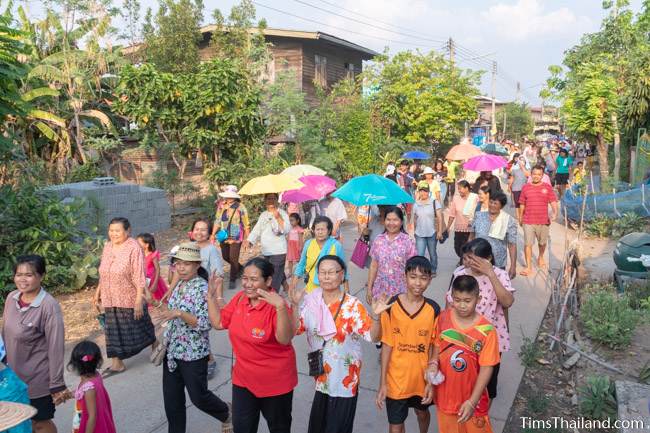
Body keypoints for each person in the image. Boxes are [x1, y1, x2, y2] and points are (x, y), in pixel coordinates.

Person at [289, 255, 387, 433]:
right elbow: (295, 329)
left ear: (342, 275)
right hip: (321, 378)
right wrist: (294, 307)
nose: (326, 276)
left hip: (344, 381)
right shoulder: (311, 301)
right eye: (322, 272)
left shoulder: (353, 305)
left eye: (331, 272)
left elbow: (373, 337)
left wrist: (377, 317)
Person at [207, 257, 297, 433]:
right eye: (245, 279)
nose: (247, 284)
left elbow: (285, 339)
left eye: (254, 279)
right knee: (242, 428)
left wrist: (280, 308)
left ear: (268, 281)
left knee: (279, 428)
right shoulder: (240, 299)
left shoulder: (277, 305)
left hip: (275, 383)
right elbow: (218, 323)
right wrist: (210, 297)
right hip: (244, 379)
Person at [161, 243, 232, 433]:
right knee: (172, 401)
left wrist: (179, 314)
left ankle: (226, 412)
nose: (181, 268)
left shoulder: (202, 288)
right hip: (172, 352)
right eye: (178, 264)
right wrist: (154, 304)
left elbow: (205, 324)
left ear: (197, 265)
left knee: (199, 397)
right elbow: (170, 313)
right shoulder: (179, 285)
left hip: (194, 353)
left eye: (187, 264)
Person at [2, 255, 71, 433]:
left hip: (37, 380)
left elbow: (56, 348)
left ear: (41, 276)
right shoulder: (11, 298)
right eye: (19, 274)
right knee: (18, 422)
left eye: (29, 275)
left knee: (39, 423)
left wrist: (56, 383)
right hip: (12, 379)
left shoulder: (48, 306)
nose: (22, 280)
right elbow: (5, 333)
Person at [376, 256, 441, 433]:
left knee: (422, 413)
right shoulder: (390, 306)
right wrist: (383, 383)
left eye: (423, 278)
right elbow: (386, 345)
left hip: (421, 379)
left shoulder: (433, 309)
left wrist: (431, 380)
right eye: (413, 276)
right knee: (395, 427)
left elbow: (436, 345)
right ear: (405, 276)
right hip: (396, 380)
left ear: (430, 280)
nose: (418, 283)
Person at [427, 275, 500, 433]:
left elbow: (487, 368)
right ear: (451, 297)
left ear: (478, 299)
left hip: (473, 400)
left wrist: (472, 402)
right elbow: (436, 346)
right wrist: (432, 368)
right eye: (457, 300)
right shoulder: (443, 318)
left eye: (467, 301)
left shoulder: (487, 331)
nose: (461, 305)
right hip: (445, 397)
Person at [448, 239, 515, 402]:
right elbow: (450, 304)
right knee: (462, 376)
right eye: (467, 258)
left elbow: (507, 302)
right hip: (463, 336)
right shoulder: (460, 273)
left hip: (490, 339)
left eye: (474, 258)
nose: (469, 262)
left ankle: (482, 417)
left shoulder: (500, 275)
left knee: (487, 383)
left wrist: (490, 273)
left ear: (489, 258)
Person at [94, 217, 155, 377]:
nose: (113, 234)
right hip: (109, 295)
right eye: (111, 230)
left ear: (128, 231)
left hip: (128, 295)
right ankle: (117, 363)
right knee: (112, 330)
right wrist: (98, 290)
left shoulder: (134, 247)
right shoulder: (107, 246)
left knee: (139, 326)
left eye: (117, 231)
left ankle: (155, 343)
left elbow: (138, 275)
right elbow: (103, 269)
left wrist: (137, 301)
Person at [366, 206, 417, 304]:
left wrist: (413, 291)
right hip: (380, 290)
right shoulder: (378, 240)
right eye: (388, 219)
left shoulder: (408, 241)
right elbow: (373, 266)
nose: (391, 223)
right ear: (384, 221)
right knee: (380, 317)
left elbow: (413, 269)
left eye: (395, 220)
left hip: (401, 291)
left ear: (401, 222)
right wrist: (369, 288)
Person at [245, 193, 291, 292]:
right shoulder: (263, 215)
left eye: (273, 198)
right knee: (272, 270)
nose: (271, 200)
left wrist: (278, 217)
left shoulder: (282, 213)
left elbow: (287, 229)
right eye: (269, 198)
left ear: (276, 200)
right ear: (265, 200)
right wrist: (250, 240)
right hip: (266, 250)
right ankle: (286, 286)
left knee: (274, 276)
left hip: (279, 250)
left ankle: (272, 296)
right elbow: (257, 229)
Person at [68, 341, 117, 433]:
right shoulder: (96, 375)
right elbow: (84, 394)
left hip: (90, 425)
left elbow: (92, 417)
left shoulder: (88, 388)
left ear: (75, 364)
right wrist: (71, 394)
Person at [519, 166, 558, 277]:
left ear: (542, 176)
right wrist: (520, 217)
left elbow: (553, 201)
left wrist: (555, 212)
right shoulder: (525, 187)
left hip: (543, 220)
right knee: (528, 244)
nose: (536, 176)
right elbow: (522, 203)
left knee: (542, 243)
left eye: (539, 174)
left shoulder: (547, 187)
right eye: (534, 174)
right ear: (531, 174)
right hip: (528, 220)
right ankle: (528, 267)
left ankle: (540, 257)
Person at [291, 216, 346, 293]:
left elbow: (344, 268)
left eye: (323, 229)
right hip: (311, 289)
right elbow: (301, 263)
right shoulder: (308, 244)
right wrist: (293, 284)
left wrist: (347, 291)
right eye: (317, 229)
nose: (320, 232)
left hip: (331, 289)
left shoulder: (336, 245)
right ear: (313, 230)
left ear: (329, 230)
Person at [470, 191, 518, 279]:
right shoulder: (479, 216)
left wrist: (513, 266)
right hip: (478, 261)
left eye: (495, 203)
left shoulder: (509, 221)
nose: (492, 205)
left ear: (501, 206)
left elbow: (512, 245)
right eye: (491, 202)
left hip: (498, 263)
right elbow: (471, 237)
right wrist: (467, 255)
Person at [211, 185, 250, 290]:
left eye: (231, 196)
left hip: (236, 235)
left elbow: (246, 224)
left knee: (233, 258)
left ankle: (233, 279)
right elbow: (217, 221)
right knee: (225, 256)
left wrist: (247, 239)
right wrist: (213, 234)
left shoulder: (240, 207)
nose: (229, 198)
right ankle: (240, 268)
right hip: (223, 234)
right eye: (228, 196)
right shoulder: (221, 206)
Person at [412, 181, 444, 276]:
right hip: (419, 234)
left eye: (425, 191)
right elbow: (414, 219)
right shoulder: (416, 204)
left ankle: (433, 269)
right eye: (421, 191)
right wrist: (414, 230)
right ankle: (421, 271)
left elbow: (439, 218)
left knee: (432, 253)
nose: (423, 193)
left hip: (432, 233)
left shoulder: (434, 202)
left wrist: (439, 231)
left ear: (428, 192)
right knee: (420, 254)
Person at [137, 233, 168, 304]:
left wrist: (155, 283)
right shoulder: (139, 254)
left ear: (147, 245)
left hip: (153, 281)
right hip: (144, 281)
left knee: (156, 299)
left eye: (139, 243)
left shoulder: (152, 255)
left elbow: (157, 269)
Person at [447, 180, 473, 259]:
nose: (459, 190)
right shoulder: (456, 199)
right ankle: (463, 259)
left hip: (470, 229)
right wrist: (448, 227)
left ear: (467, 188)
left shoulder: (474, 198)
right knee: (457, 247)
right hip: (459, 229)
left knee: (468, 248)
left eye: (460, 188)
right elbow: (452, 214)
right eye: (458, 189)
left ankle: (464, 263)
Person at [507, 154, 530, 221]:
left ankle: (522, 214)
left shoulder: (528, 170)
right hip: (515, 188)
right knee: (517, 203)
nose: (522, 162)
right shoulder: (514, 170)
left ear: (525, 162)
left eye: (523, 160)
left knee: (523, 203)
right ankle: (518, 216)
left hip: (524, 189)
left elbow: (528, 175)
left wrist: (523, 167)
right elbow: (512, 178)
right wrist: (509, 186)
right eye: (520, 160)